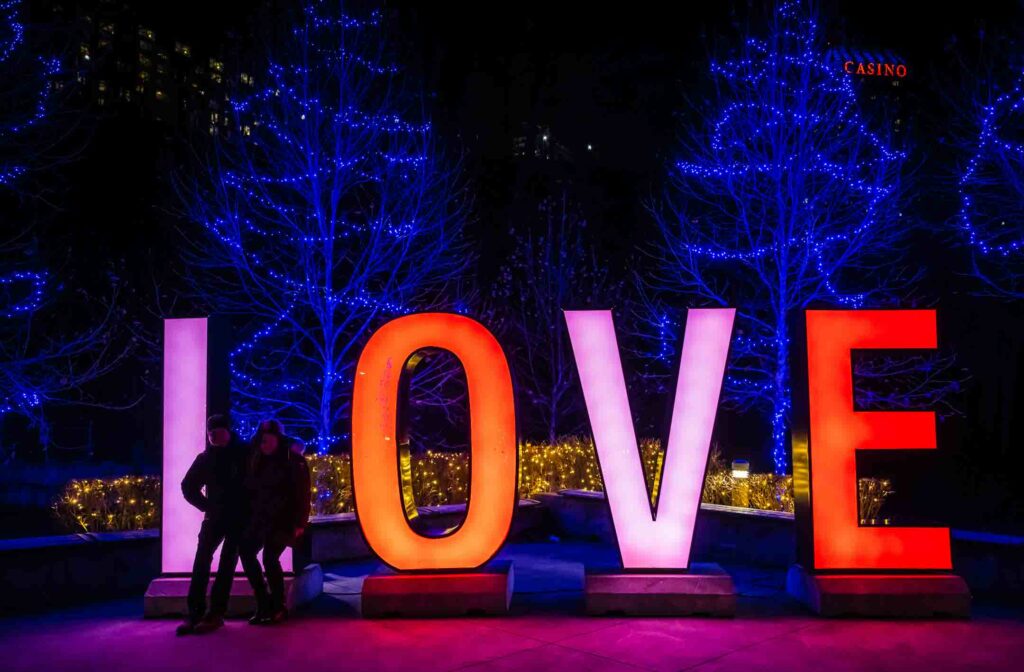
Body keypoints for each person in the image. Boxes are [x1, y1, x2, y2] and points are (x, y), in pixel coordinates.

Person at [176, 414, 251, 636]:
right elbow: (188, 486)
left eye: (216, 432)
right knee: (214, 563)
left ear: (227, 431)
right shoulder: (240, 455)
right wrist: (208, 506)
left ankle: (206, 613)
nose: (213, 436)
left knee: (217, 562)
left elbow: (188, 486)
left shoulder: (214, 457)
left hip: (230, 517)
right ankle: (206, 613)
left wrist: (207, 506)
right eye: (211, 433)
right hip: (227, 516)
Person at [238, 420, 312, 625]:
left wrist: (299, 523)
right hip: (262, 518)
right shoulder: (258, 458)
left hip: (282, 519)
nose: (264, 445)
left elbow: (302, 493)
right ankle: (266, 602)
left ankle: (276, 605)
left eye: (267, 440)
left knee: (269, 558)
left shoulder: (291, 460)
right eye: (262, 441)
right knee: (248, 552)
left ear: (277, 440)